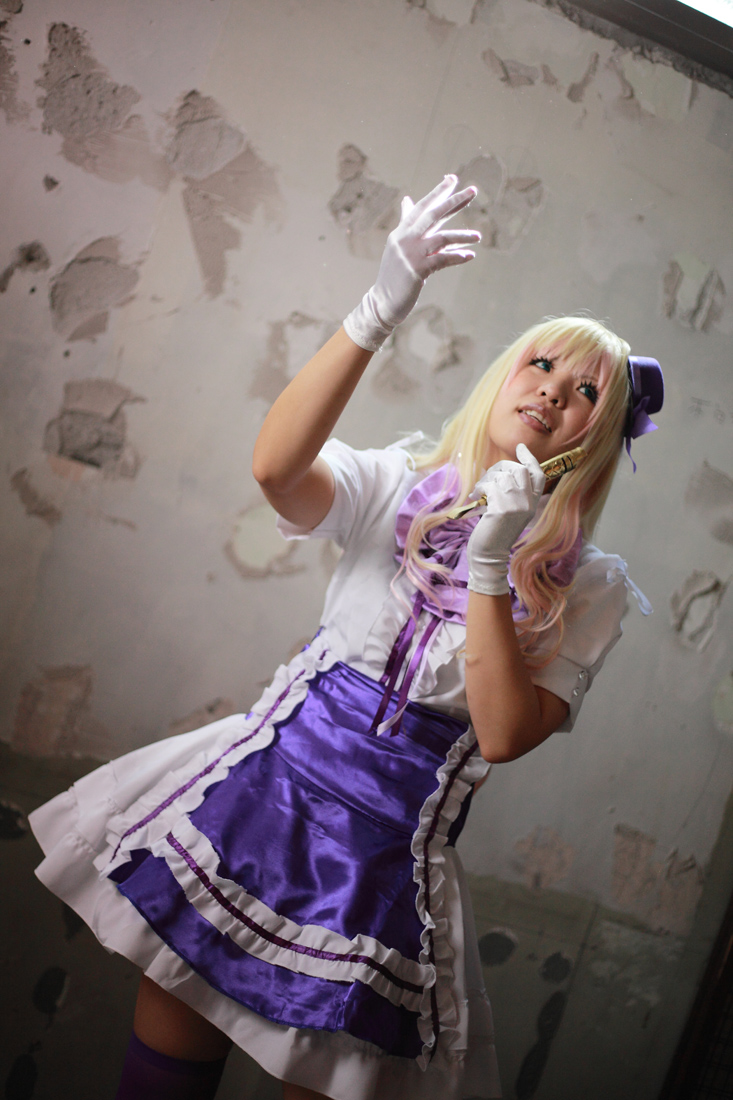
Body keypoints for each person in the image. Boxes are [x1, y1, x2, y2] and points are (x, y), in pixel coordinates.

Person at [29, 176, 663, 1100]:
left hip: (379, 879)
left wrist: (493, 565)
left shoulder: (592, 589)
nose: (551, 392)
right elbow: (274, 468)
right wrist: (377, 308)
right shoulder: (393, 482)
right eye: (539, 365)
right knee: (158, 1079)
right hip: (252, 807)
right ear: (502, 376)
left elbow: (499, 734)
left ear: (596, 438)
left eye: (585, 392)